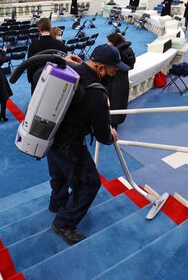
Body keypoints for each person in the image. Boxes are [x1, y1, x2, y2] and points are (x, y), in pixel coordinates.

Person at [47, 44, 128, 245]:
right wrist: (111, 135)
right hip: (70, 145)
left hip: (50, 136)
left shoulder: (72, 70)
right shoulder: (97, 93)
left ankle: (57, 203)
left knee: (59, 173)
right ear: (100, 68)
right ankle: (64, 223)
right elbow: (102, 135)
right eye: (113, 68)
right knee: (89, 183)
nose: (115, 72)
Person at [26, 18, 68, 93]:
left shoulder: (33, 46)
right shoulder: (60, 44)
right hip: (58, 80)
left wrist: (31, 80)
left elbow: (30, 66)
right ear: (50, 28)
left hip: (39, 80)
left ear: (38, 29)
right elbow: (65, 63)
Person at [106, 32, 136, 129]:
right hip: (123, 80)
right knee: (120, 102)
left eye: (109, 41)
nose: (108, 43)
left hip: (115, 80)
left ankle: (111, 123)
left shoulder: (116, 52)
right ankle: (116, 122)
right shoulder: (129, 49)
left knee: (113, 101)